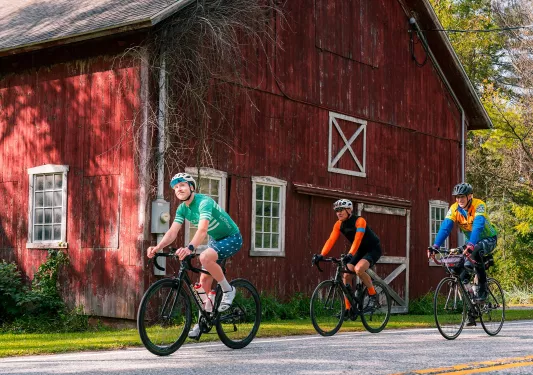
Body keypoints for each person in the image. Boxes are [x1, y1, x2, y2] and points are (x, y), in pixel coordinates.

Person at [147, 172, 243, 339]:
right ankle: (202, 321)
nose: (179, 189)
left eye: (182, 185)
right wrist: (158, 246)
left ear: (191, 187)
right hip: (216, 240)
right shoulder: (182, 208)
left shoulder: (203, 202)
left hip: (232, 237)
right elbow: (172, 232)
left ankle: (229, 290)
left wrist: (190, 248)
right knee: (203, 283)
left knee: (204, 257)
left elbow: (202, 230)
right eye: (176, 187)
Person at [428, 182, 498, 306]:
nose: (459, 199)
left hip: (488, 239)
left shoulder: (479, 205)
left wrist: (471, 244)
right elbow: (445, 227)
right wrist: (435, 246)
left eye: (462, 196)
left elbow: (478, 225)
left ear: (469, 196)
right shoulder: (454, 208)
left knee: (476, 250)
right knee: (460, 269)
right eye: (457, 197)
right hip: (471, 242)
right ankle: (471, 308)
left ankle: (483, 288)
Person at [313, 199, 382, 317]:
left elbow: (358, 239)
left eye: (341, 210)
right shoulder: (338, 224)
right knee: (346, 275)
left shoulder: (360, 221)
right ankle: (348, 308)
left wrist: (350, 254)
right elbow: (331, 240)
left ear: (349, 210)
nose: (339, 213)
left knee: (359, 269)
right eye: (337, 211)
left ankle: (373, 296)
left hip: (373, 249)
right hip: (359, 250)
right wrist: (322, 255)